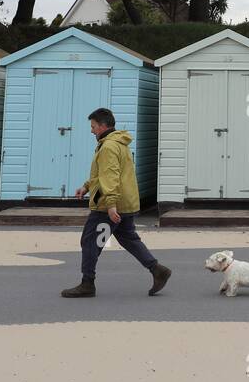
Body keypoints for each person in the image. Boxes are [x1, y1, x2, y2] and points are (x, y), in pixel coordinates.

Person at [61, 108, 172, 298]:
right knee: (128, 238)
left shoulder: (108, 147)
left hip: (109, 206)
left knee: (90, 242)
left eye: (93, 126)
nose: (91, 131)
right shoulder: (119, 143)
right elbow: (104, 173)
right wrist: (87, 187)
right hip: (126, 203)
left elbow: (110, 177)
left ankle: (87, 283)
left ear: (103, 126)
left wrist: (111, 205)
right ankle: (157, 269)